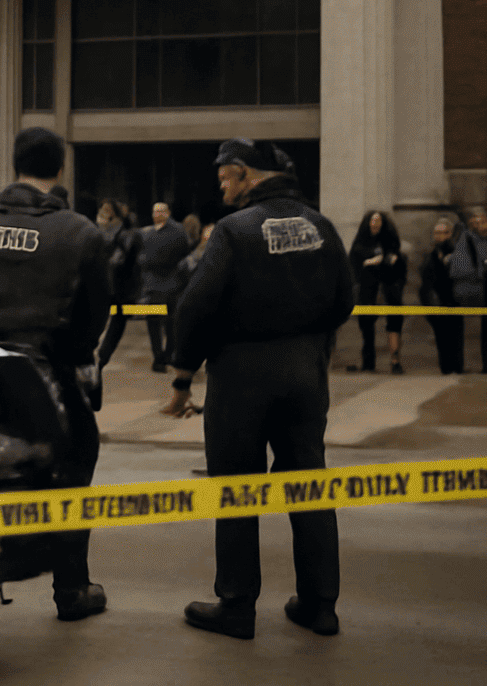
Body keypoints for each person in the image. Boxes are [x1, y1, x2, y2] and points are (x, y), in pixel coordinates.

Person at [161, 138, 354, 640]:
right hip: (305, 373)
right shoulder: (320, 225)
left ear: (246, 174)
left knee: (238, 489)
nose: (221, 186)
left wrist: (183, 375)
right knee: (309, 482)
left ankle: (237, 605)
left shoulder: (234, 230)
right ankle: (320, 605)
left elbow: (195, 307)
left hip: (241, 375)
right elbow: (345, 299)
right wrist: (311, 344)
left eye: (225, 177)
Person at [0, 127, 111, 623]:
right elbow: (96, 311)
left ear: (14, 164)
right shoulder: (80, 231)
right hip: (50, 372)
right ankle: (72, 590)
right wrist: (71, 352)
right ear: (60, 168)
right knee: (71, 476)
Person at [349, 210, 408, 373]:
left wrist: (386, 260)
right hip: (368, 290)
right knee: (366, 324)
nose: (375, 223)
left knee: (394, 323)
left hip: (389, 287)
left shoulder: (390, 244)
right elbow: (353, 263)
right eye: (372, 220)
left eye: (378, 220)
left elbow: (399, 267)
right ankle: (368, 362)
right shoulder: (360, 243)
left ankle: (395, 361)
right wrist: (369, 262)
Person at [454, 206, 487, 374]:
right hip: (468, 285)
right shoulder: (464, 235)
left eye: (482, 220)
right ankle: (458, 365)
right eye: (475, 220)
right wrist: (485, 266)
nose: (478, 223)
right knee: (458, 325)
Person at [138, 201, 190, 372]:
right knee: (163, 324)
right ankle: (163, 356)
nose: (156, 214)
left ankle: (162, 357)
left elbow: (179, 255)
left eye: (160, 211)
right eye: (154, 211)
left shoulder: (174, 232)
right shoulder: (150, 232)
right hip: (160, 285)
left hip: (166, 285)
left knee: (163, 324)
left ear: (168, 212)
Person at [94, 199, 142, 369]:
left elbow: (120, 260)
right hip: (114, 283)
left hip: (116, 283)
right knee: (114, 319)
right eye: (102, 209)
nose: (103, 213)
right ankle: (101, 355)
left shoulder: (120, 231)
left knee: (114, 318)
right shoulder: (105, 230)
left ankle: (102, 355)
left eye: (106, 210)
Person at [419, 216, 464, 374]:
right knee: (441, 336)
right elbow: (426, 279)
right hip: (436, 301)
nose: (439, 236)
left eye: (443, 232)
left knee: (455, 335)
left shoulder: (456, 252)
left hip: (453, 299)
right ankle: (445, 367)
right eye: (436, 233)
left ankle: (457, 367)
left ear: (450, 233)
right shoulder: (431, 254)